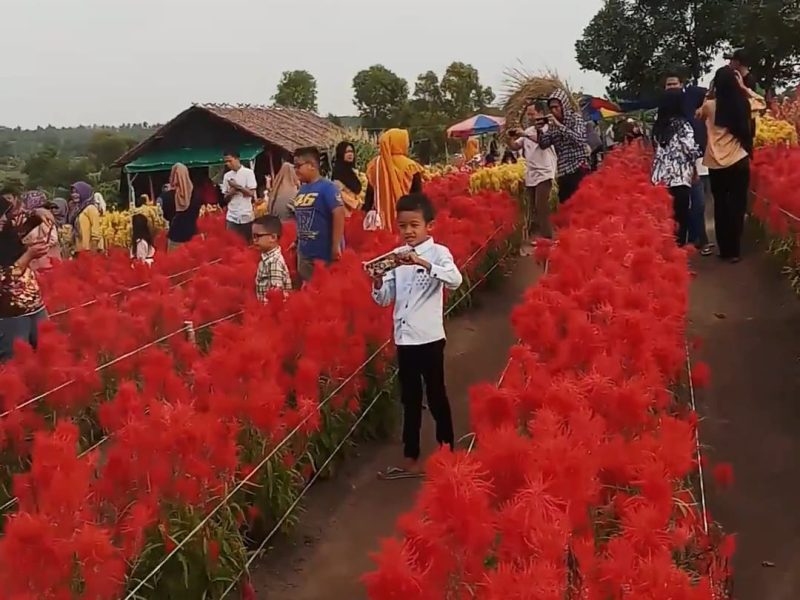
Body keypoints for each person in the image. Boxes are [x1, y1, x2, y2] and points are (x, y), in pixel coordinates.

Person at [371, 193, 462, 479]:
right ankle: (411, 455)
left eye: (414, 225)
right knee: (409, 400)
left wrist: (422, 263)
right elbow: (385, 299)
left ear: (429, 226)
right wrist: (377, 281)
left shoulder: (439, 254)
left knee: (436, 395)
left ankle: (447, 449)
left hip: (430, 337)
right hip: (404, 339)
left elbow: (455, 280)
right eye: (402, 226)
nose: (408, 231)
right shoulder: (396, 258)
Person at [697, 66, 754, 263]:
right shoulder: (743, 103)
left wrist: (710, 92)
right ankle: (735, 251)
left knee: (720, 205)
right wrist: (742, 87)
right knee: (737, 206)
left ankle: (725, 250)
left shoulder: (710, 106)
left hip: (715, 162)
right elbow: (762, 103)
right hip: (738, 159)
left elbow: (698, 114)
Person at [664, 71, 714, 256]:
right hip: (676, 170)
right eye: (668, 85)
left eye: (674, 84)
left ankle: (699, 240)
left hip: (697, 163)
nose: (671, 88)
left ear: (681, 84)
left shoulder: (693, 97)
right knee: (682, 207)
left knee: (699, 203)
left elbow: (711, 92)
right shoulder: (665, 114)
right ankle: (687, 243)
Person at [0, 188, 51, 361]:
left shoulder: (5, 233)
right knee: (15, 364)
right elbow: (4, 278)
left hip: (36, 307)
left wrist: (38, 214)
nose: (3, 219)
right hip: (10, 315)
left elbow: (22, 230)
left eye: (4, 214)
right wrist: (28, 256)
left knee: (48, 355)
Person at [651, 89, 702, 246]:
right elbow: (690, 149)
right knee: (681, 218)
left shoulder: (658, 127)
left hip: (660, 179)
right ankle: (679, 251)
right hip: (679, 178)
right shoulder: (682, 125)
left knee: (666, 219)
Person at [290, 146, 346, 283]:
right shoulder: (302, 190)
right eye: (294, 166)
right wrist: (297, 241)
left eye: (298, 166)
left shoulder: (328, 188)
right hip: (305, 252)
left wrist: (336, 245)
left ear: (312, 165)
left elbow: (339, 213)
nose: (295, 171)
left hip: (324, 253)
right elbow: (302, 217)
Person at [506, 101, 558, 246]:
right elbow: (516, 145)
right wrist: (509, 138)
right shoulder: (528, 131)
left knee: (541, 205)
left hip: (545, 172)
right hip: (531, 174)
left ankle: (548, 238)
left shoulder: (549, 129)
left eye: (532, 114)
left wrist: (525, 134)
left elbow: (542, 142)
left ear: (541, 114)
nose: (530, 117)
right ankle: (538, 237)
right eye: (528, 114)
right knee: (533, 207)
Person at [365, 129, 424, 231]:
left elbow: (369, 196)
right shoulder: (410, 166)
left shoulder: (375, 165)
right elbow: (417, 195)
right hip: (405, 218)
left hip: (380, 221)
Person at [537, 88, 589, 203]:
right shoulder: (552, 125)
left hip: (578, 169)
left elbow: (580, 140)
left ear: (563, 106)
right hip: (563, 172)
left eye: (556, 107)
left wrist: (560, 126)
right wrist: (539, 131)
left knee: (581, 206)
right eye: (551, 108)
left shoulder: (576, 119)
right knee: (565, 208)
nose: (554, 110)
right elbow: (544, 144)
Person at [252, 215, 292, 302]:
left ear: (273, 237)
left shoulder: (274, 263)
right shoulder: (266, 258)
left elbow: (276, 296)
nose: (254, 240)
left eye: (257, 236)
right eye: (253, 236)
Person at [221, 149, 257, 242]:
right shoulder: (227, 176)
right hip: (232, 216)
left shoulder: (248, 173)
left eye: (230, 161)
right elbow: (225, 198)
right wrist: (232, 191)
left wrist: (238, 187)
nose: (228, 164)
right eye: (226, 162)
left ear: (237, 159)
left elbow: (251, 193)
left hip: (246, 215)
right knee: (232, 243)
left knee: (248, 242)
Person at [20, 191, 61, 270]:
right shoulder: (26, 221)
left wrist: (33, 243)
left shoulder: (45, 221)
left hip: (44, 261)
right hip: (36, 261)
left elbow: (53, 239)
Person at [166, 163, 201, 250]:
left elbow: (166, 215)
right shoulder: (195, 193)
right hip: (192, 235)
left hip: (176, 238)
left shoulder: (170, 195)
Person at [68, 181, 104, 253]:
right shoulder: (77, 210)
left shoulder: (91, 208)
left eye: (77, 192)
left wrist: (93, 252)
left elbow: (96, 232)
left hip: (90, 250)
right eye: (72, 192)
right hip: (80, 250)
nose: (74, 195)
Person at [331, 141, 363, 217]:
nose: (350, 154)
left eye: (351, 152)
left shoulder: (353, 172)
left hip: (357, 211)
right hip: (346, 212)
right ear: (341, 154)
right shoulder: (338, 172)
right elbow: (339, 193)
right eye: (346, 152)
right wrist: (355, 203)